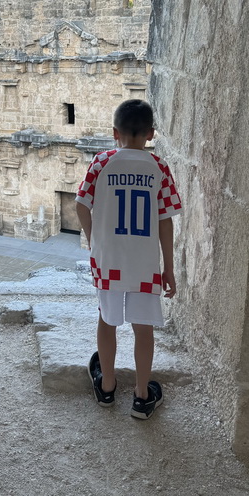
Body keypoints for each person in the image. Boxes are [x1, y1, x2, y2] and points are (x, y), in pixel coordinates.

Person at [74, 99, 182, 419]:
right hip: (144, 263)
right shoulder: (159, 167)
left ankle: (107, 387)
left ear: (114, 133)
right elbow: (165, 220)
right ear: (150, 134)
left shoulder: (101, 162)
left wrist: (96, 240)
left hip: (108, 260)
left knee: (107, 320)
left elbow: (82, 204)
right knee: (143, 326)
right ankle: (141, 395)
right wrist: (169, 268)